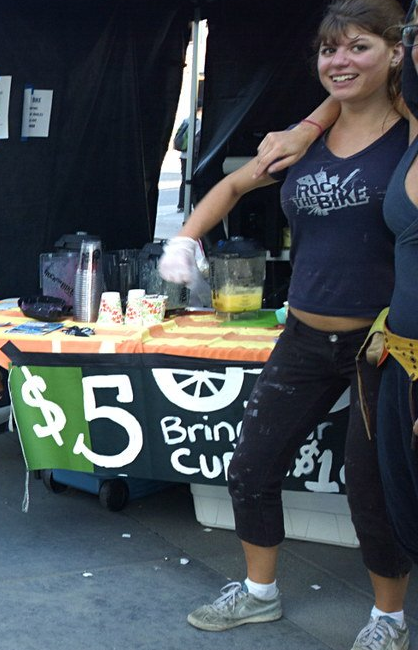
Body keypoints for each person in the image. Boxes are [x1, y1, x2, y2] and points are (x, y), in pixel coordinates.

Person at [158, 2, 412, 649]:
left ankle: (388, 618)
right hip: (302, 334)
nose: (340, 61)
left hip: (377, 346)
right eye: (330, 50)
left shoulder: (411, 135)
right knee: (251, 465)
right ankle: (259, 593)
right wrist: (186, 239)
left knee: (371, 488)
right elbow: (236, 185)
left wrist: (317, 115)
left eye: (358, 47)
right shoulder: (302, 144)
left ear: (396, 53)